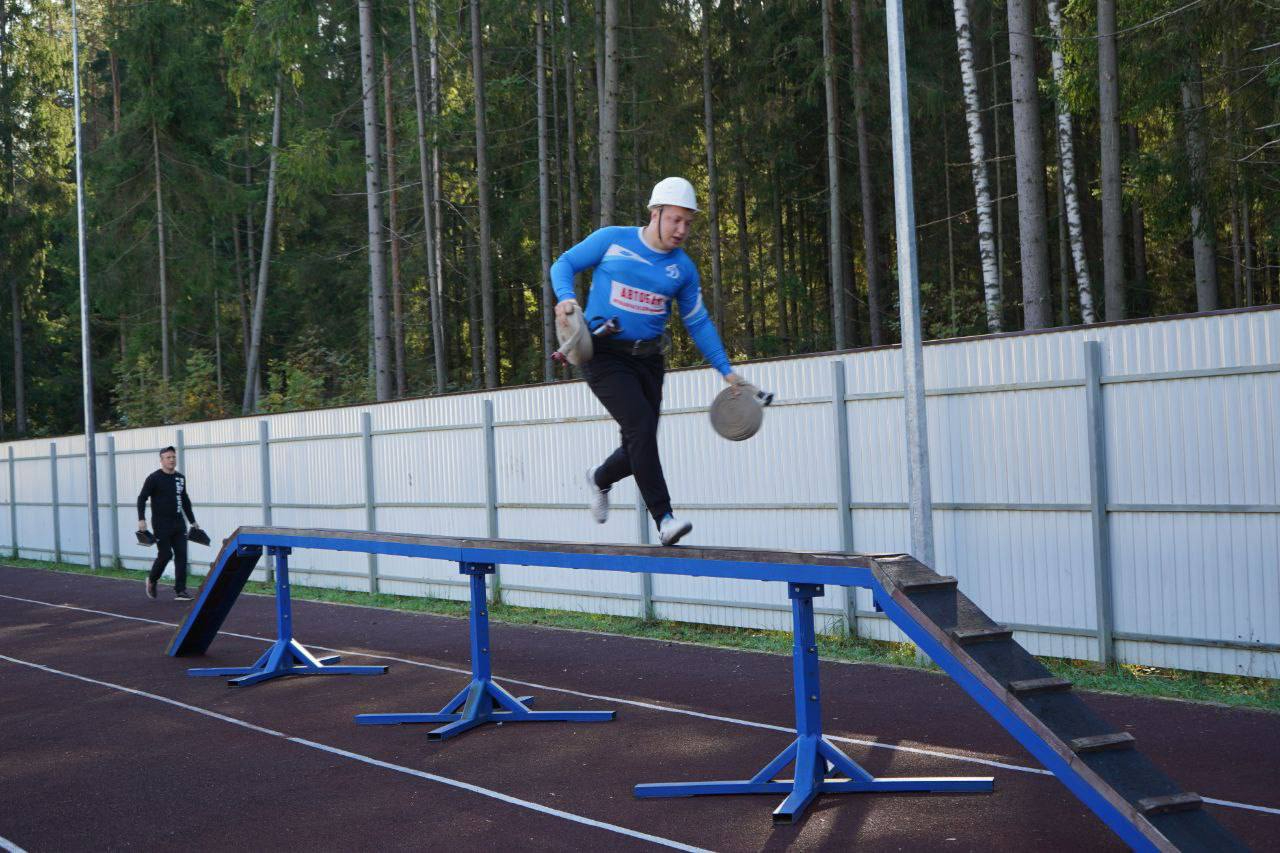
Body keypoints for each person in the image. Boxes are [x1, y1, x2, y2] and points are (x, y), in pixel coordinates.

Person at [551, 176, 750, 546]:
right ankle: (665, 518)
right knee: (641, 428)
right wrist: (565, 298)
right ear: (655, 213)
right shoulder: (613, 239)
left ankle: (599, 478)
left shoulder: (683, 270)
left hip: (649, 360)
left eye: (689, 223)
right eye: (675, 219)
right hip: (603, 353)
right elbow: (563, 264)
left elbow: (699, 322)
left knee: (638, 443)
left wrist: (726, 371)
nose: (682, 229)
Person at [137, 445, 201, 600]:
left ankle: (180, 591)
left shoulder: (180, 478)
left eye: (173, 457)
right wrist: (141, 519)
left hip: (179, 523)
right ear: (161, 460)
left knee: (182, 555)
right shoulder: (154, 478)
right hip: (161, 524)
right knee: (165, 554)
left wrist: (193, 521)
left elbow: (184, 500)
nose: (172, 460)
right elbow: (142, 498)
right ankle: (152, 579)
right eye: (168, 457)